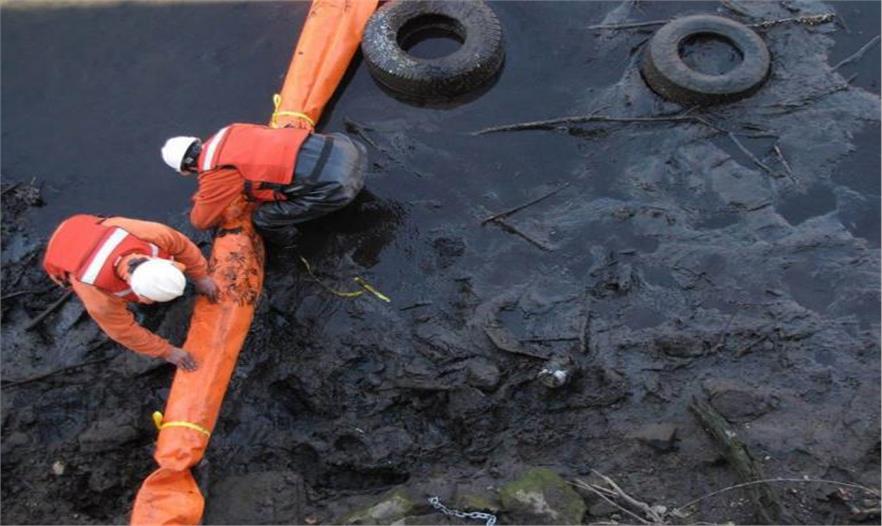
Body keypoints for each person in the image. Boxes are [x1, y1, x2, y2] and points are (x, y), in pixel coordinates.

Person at [42, 214, 218, 371]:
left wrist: (201, 277)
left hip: (83, 225)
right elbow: (122, 330)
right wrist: (167, 352)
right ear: (139, 294)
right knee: (69, 282)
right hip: (59, 256)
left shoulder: (154, 235)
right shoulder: (98, 296)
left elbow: (183, 247)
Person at [160, 123, 367, 245]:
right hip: (350, 149)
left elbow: (201, 221)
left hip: (338, 186)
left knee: (263, 218)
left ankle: (293, 245)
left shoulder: (217, 172)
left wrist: (201, 197)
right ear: (196, 141)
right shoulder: (232, 130)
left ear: (187, 169)